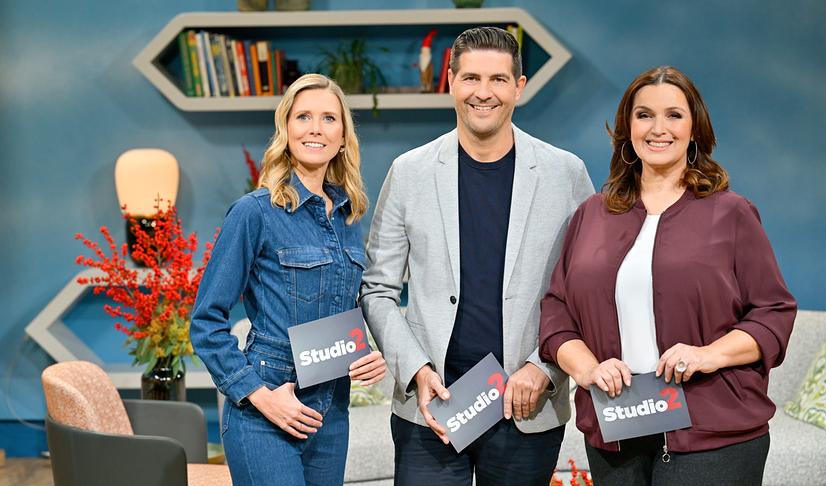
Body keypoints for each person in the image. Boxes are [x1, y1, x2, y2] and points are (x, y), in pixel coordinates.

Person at [538, 66, 797, 485]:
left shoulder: (731, 213)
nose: (659, 128)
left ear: (695, 129)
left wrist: (707, 354)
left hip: (714, 435)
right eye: (644, 115)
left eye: (674, 115)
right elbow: (556, 309)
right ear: (627, 128)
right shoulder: (592, 213)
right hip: (616, 430)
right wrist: (585, 368)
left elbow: (773, 313)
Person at [359, 27, 594, 485]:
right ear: (450, 81)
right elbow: (378, 288)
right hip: (432, 405)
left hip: (526, 404)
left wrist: (543, 367)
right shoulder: (409, 172)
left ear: (519, 87)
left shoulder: (565, 173)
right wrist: (417, 369)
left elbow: (587, 291)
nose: (483, 93)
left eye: (498, 80)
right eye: (470, 79)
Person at [190, 73, 387, 486]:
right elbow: (206, 322)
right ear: (286, 129)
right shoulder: (253, 212)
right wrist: (261, 397)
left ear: (343, 136)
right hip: (266, 409)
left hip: (332, 411)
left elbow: (345, 307)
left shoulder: (349, 218)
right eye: (304, 117)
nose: (316, 128)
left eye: (329, 118)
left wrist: (369, 352)